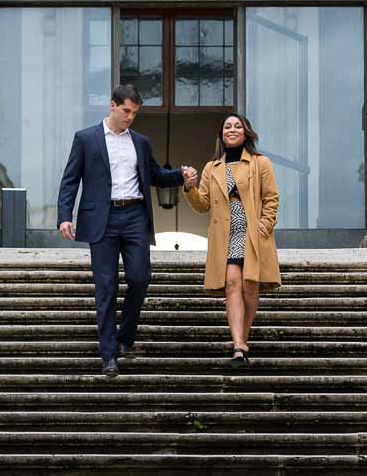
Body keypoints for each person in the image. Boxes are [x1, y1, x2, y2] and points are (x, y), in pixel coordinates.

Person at [57, 84, 193, 377]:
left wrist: (181, 177)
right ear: (112, 106)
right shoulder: (86, 138)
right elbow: (70, 179)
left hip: (134, 215)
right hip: (101, 219)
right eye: (126, 111)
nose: (130, 117)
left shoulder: (141, 143)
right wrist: (64, 216)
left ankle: (125, 335)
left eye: (135, 113)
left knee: (140, 277)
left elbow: (155, 175)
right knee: (105, 287)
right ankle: (109, 355)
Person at [182, 113, 280, 367]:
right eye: (227, 126)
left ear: (246, 132)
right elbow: (203, 205)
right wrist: (190, 188)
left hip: (252, 234)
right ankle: (239, 345)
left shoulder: (261, 163)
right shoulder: (212, 167)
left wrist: (264, 226)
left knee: (250, 284)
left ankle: (242, 340)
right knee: (232, 285)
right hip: (225, 236)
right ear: (221, 134)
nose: (232, 129)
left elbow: (271, 198)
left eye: (237, 126)